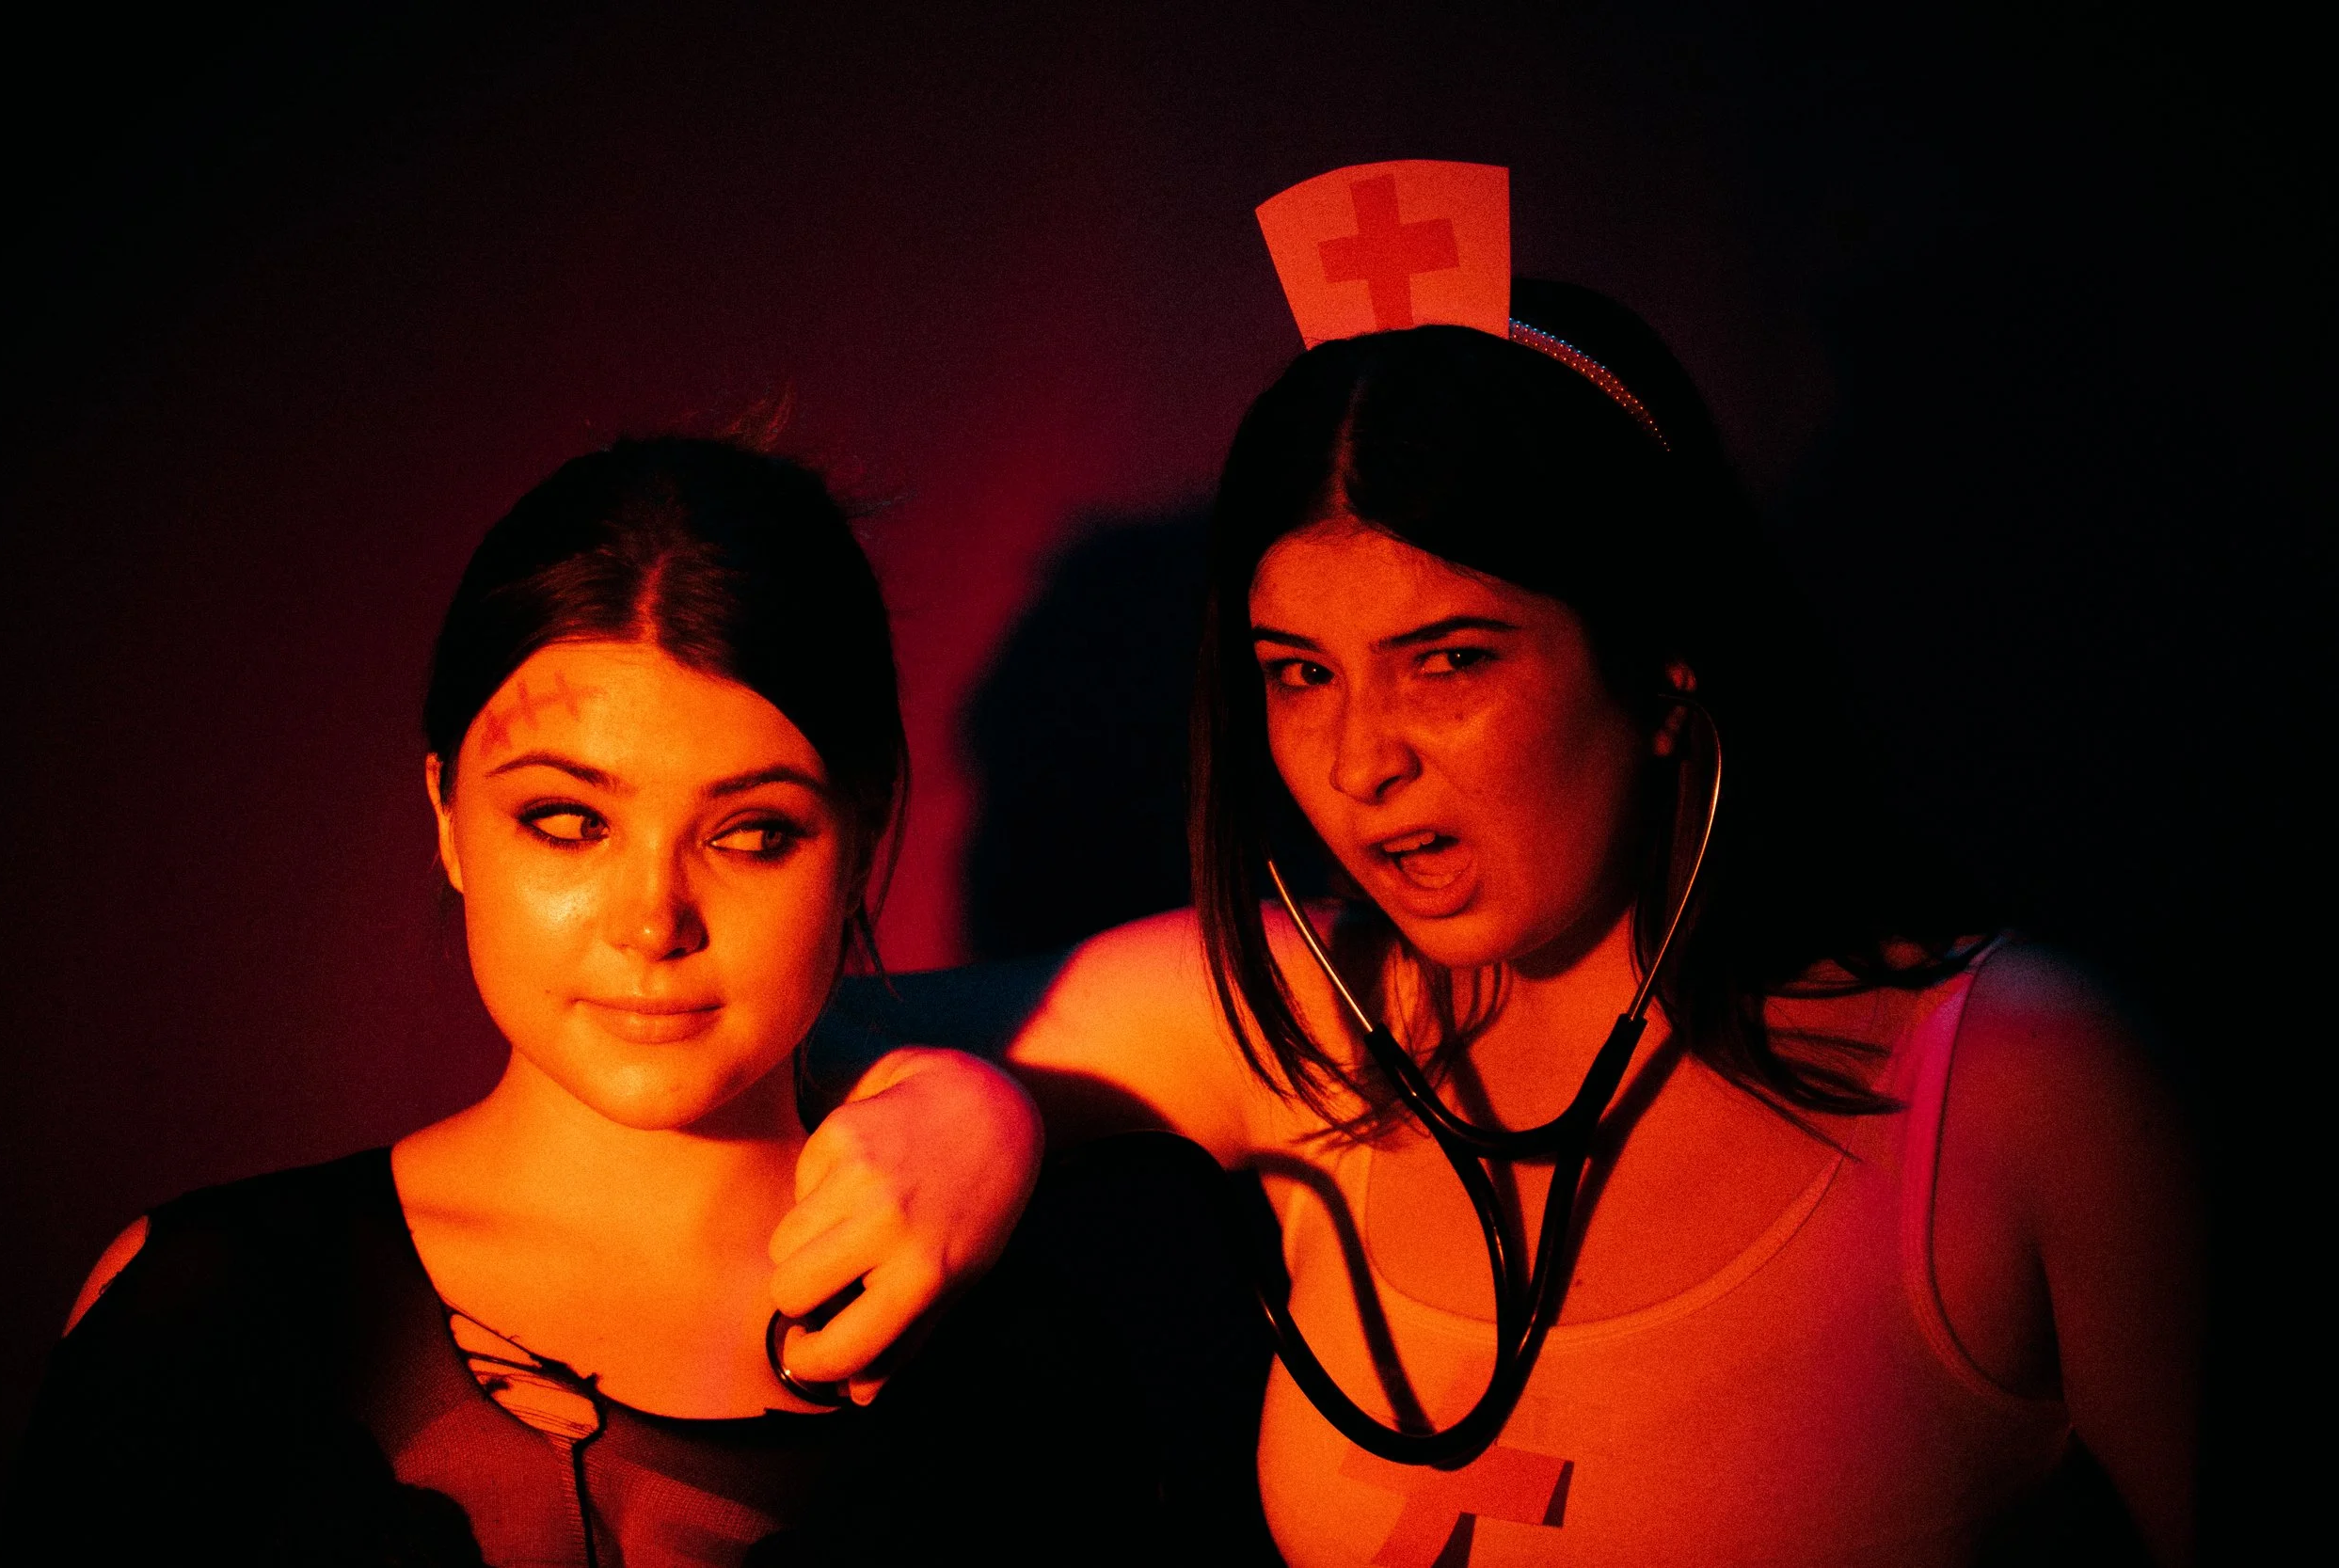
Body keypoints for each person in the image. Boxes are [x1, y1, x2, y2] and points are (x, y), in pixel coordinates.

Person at [816, 277, 2204, 1565]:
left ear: (1667, 657)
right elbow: (729, 1024)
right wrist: (977, 1102)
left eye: (1452, 659)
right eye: (1299, 673)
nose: (1361, 762)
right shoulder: (1287, 1017)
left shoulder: (2020, 1090)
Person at [0, 438, 1055, 1566]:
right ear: (448, 813)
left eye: (752, 834)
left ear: (860, 841)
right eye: (566, 820)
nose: (652, 920)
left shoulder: (1022, 1362)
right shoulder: (214, 1305)